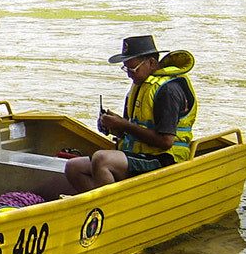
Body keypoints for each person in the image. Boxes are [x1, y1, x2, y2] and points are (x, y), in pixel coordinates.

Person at [65, 34, 198, 193]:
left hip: (164, 159)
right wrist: (112, 127)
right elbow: (131, 130)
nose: (128, 73)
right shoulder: (140, 86)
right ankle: (99, 209)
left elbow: (166, 141)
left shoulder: (168, 90)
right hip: (139, 154)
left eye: (133, 68)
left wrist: (124, 125)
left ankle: (112, 210)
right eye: (125, 68)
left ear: (151, 62)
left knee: (102, 160)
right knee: (73, 167)